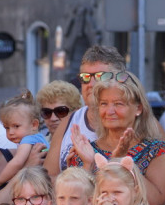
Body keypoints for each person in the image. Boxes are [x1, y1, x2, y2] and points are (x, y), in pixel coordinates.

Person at [65, 70, 165, 205]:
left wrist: (121, 163)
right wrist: (88, 165)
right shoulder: (87, 151)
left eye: (118, 104)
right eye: (104, 104)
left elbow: (156, 203)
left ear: (138, 108)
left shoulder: (155, 150)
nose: (109, 111)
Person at [44, 45, 127, 174]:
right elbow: (48, 178)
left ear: (120, 79)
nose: (91, 84)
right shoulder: (69, 123)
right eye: (85, 77)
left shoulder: (139, 122)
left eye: (100, 76)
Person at [0, 96, 50, 188]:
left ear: (34, 125)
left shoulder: (28, 140)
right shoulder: (39, 137)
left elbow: (17, 162)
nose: (11, 132)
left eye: (16, 126)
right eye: (7, 128)